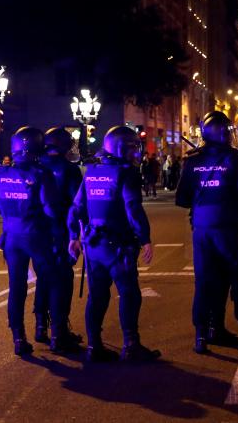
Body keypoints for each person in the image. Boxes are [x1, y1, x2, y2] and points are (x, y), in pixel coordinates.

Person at [175, 111, 238, 355]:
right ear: (222, 133)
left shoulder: (192, 160)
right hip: (227, 230)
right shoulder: (234, 159)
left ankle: (205, 333)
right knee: (237, 280)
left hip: (201, 230)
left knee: (206, 282)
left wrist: (204, 197)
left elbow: (182, 198)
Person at [68, 125, 159, 363]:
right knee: (129, 293)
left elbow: (77, 208)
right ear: (121, 148)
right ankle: (131, 345)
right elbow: (133, 209)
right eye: (131, 147)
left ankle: (94, 346)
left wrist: (73, 237)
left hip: (93, 245)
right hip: (118, 245)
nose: (134, 152)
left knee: (97, 295)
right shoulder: (125, 173)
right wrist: (145, 238)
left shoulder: (91, 171)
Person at [0, 127, 76, 356]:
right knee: (53, 282)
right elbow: (51, 209)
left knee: (16, 288)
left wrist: (11, 214)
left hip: (11, 237)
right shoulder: (39, 174)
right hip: (36, 235)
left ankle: (19, 338)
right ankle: (57, 335)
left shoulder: (2, 173)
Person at [33, 127, 83, 347]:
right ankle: (59, 333)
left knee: (43, 278)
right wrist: (78, 234)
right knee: (62, 280)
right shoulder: (69, 170)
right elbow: (77, 204)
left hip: (35, 232)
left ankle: (40, 326)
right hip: (60, 231)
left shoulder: (35, 165)